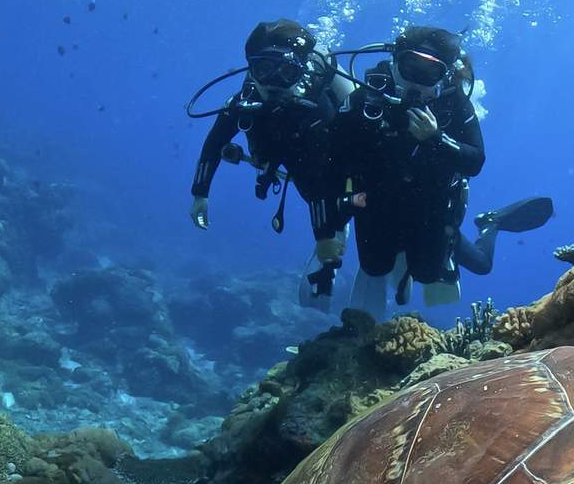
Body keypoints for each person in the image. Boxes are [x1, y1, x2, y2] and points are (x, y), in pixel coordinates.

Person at [333, 25, 543, 318]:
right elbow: (333, 151)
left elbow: (475, 161)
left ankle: (490, 224)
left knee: (460, 269)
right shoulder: (371, 95)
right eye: (410, 67)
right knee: (374, 267)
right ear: (395, 64)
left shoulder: (453, 103)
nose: (417, 82)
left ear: (443, 76)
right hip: (377, 206)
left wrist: (436, 139)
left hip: (431, 209)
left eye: (429, 73)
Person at [188, 19, 355, 307]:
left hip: (323, 167)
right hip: (285, 160)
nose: (274, 82)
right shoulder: (244, 101)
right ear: (252, 70)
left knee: (333, 197)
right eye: (264, 69)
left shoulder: (316, 110)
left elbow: (319, 186)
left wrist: (325, 238)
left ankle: (338, 240)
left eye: (287, 71)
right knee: (315, 193)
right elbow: (214, 143)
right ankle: (334, 236)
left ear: (300, 72)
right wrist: (199, 194)